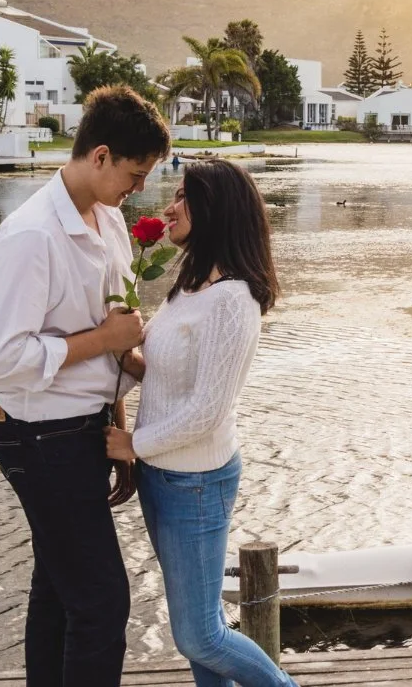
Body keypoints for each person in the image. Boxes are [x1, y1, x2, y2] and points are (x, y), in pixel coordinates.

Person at [0, 85, 171, 687]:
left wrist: (119, 432)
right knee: (103, 601)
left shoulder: (108, 220)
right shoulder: (32, 234)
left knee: (59, 589)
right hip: (36, 434)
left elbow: (114, 342)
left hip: (82, 427)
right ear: (101, 155)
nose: (140, 188)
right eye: (135, 174)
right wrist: (104, 339)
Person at [105, 159, 297, 687]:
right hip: (163, 476)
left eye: (182, 197)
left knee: (200, 636)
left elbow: (207, 411)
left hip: (196, 483)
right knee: (200, 625)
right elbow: (170, 376)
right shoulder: (190, 286)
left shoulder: (233, 300)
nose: (169, 208)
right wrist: (124, 356)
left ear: (215, 209)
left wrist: (131, 444)